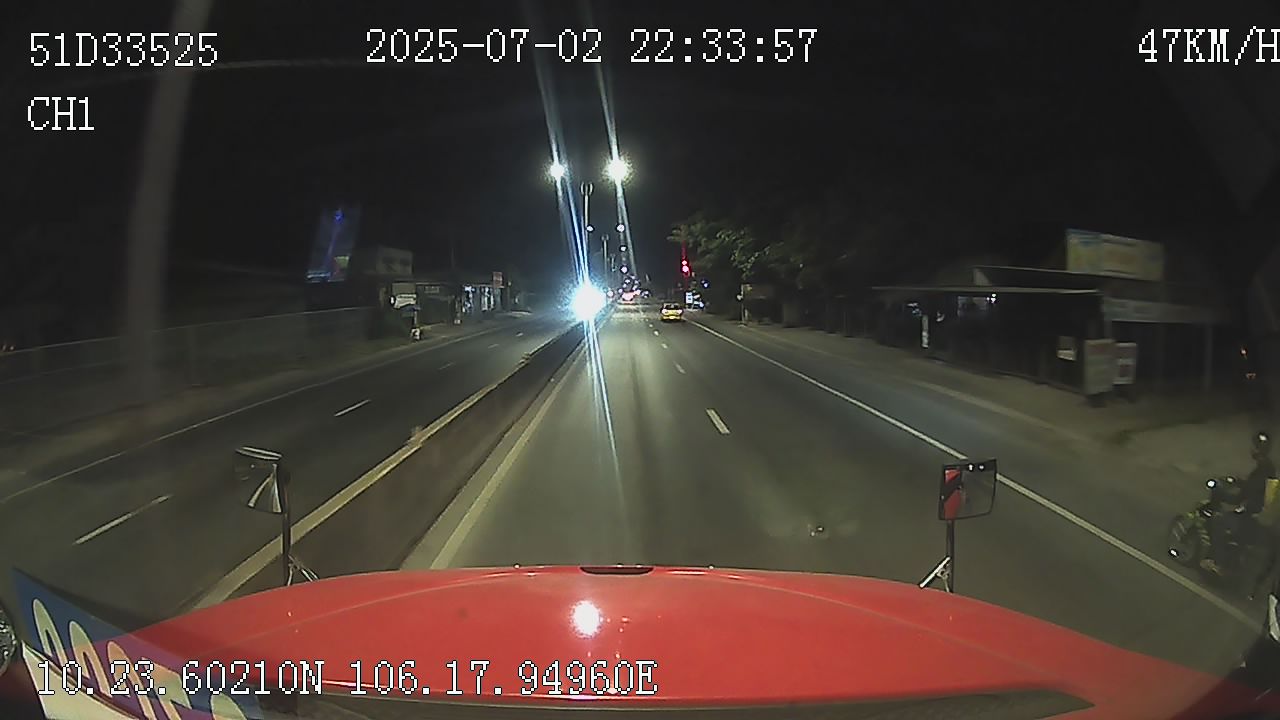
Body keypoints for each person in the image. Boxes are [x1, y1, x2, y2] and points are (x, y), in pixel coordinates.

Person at [1202, 432, 1276, 578]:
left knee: (1218, 522)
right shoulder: (1267, 468)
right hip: (1259, 514)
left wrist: (1221, 493)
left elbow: (1240, 498)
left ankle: (1217, 562)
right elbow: (1253, 487)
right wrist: (1237, 481)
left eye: (1254, 446)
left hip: (1251, 513)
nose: (1251, 449)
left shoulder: (1262, 470)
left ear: (1257, 449)